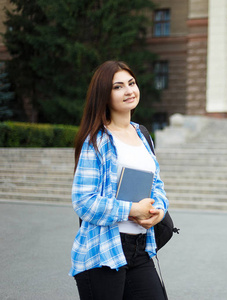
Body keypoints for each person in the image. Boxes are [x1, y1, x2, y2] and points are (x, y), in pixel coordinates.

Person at [69, 60, 169, 300]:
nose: (129, 91)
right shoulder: (96, 140)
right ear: (104, 94)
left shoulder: (143, 135)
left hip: (140, 248)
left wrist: (160, 211)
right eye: (118, 87)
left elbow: (157, 186)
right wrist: (132, 209)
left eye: (131, 83)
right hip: (103, 251)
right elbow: (83, 202)